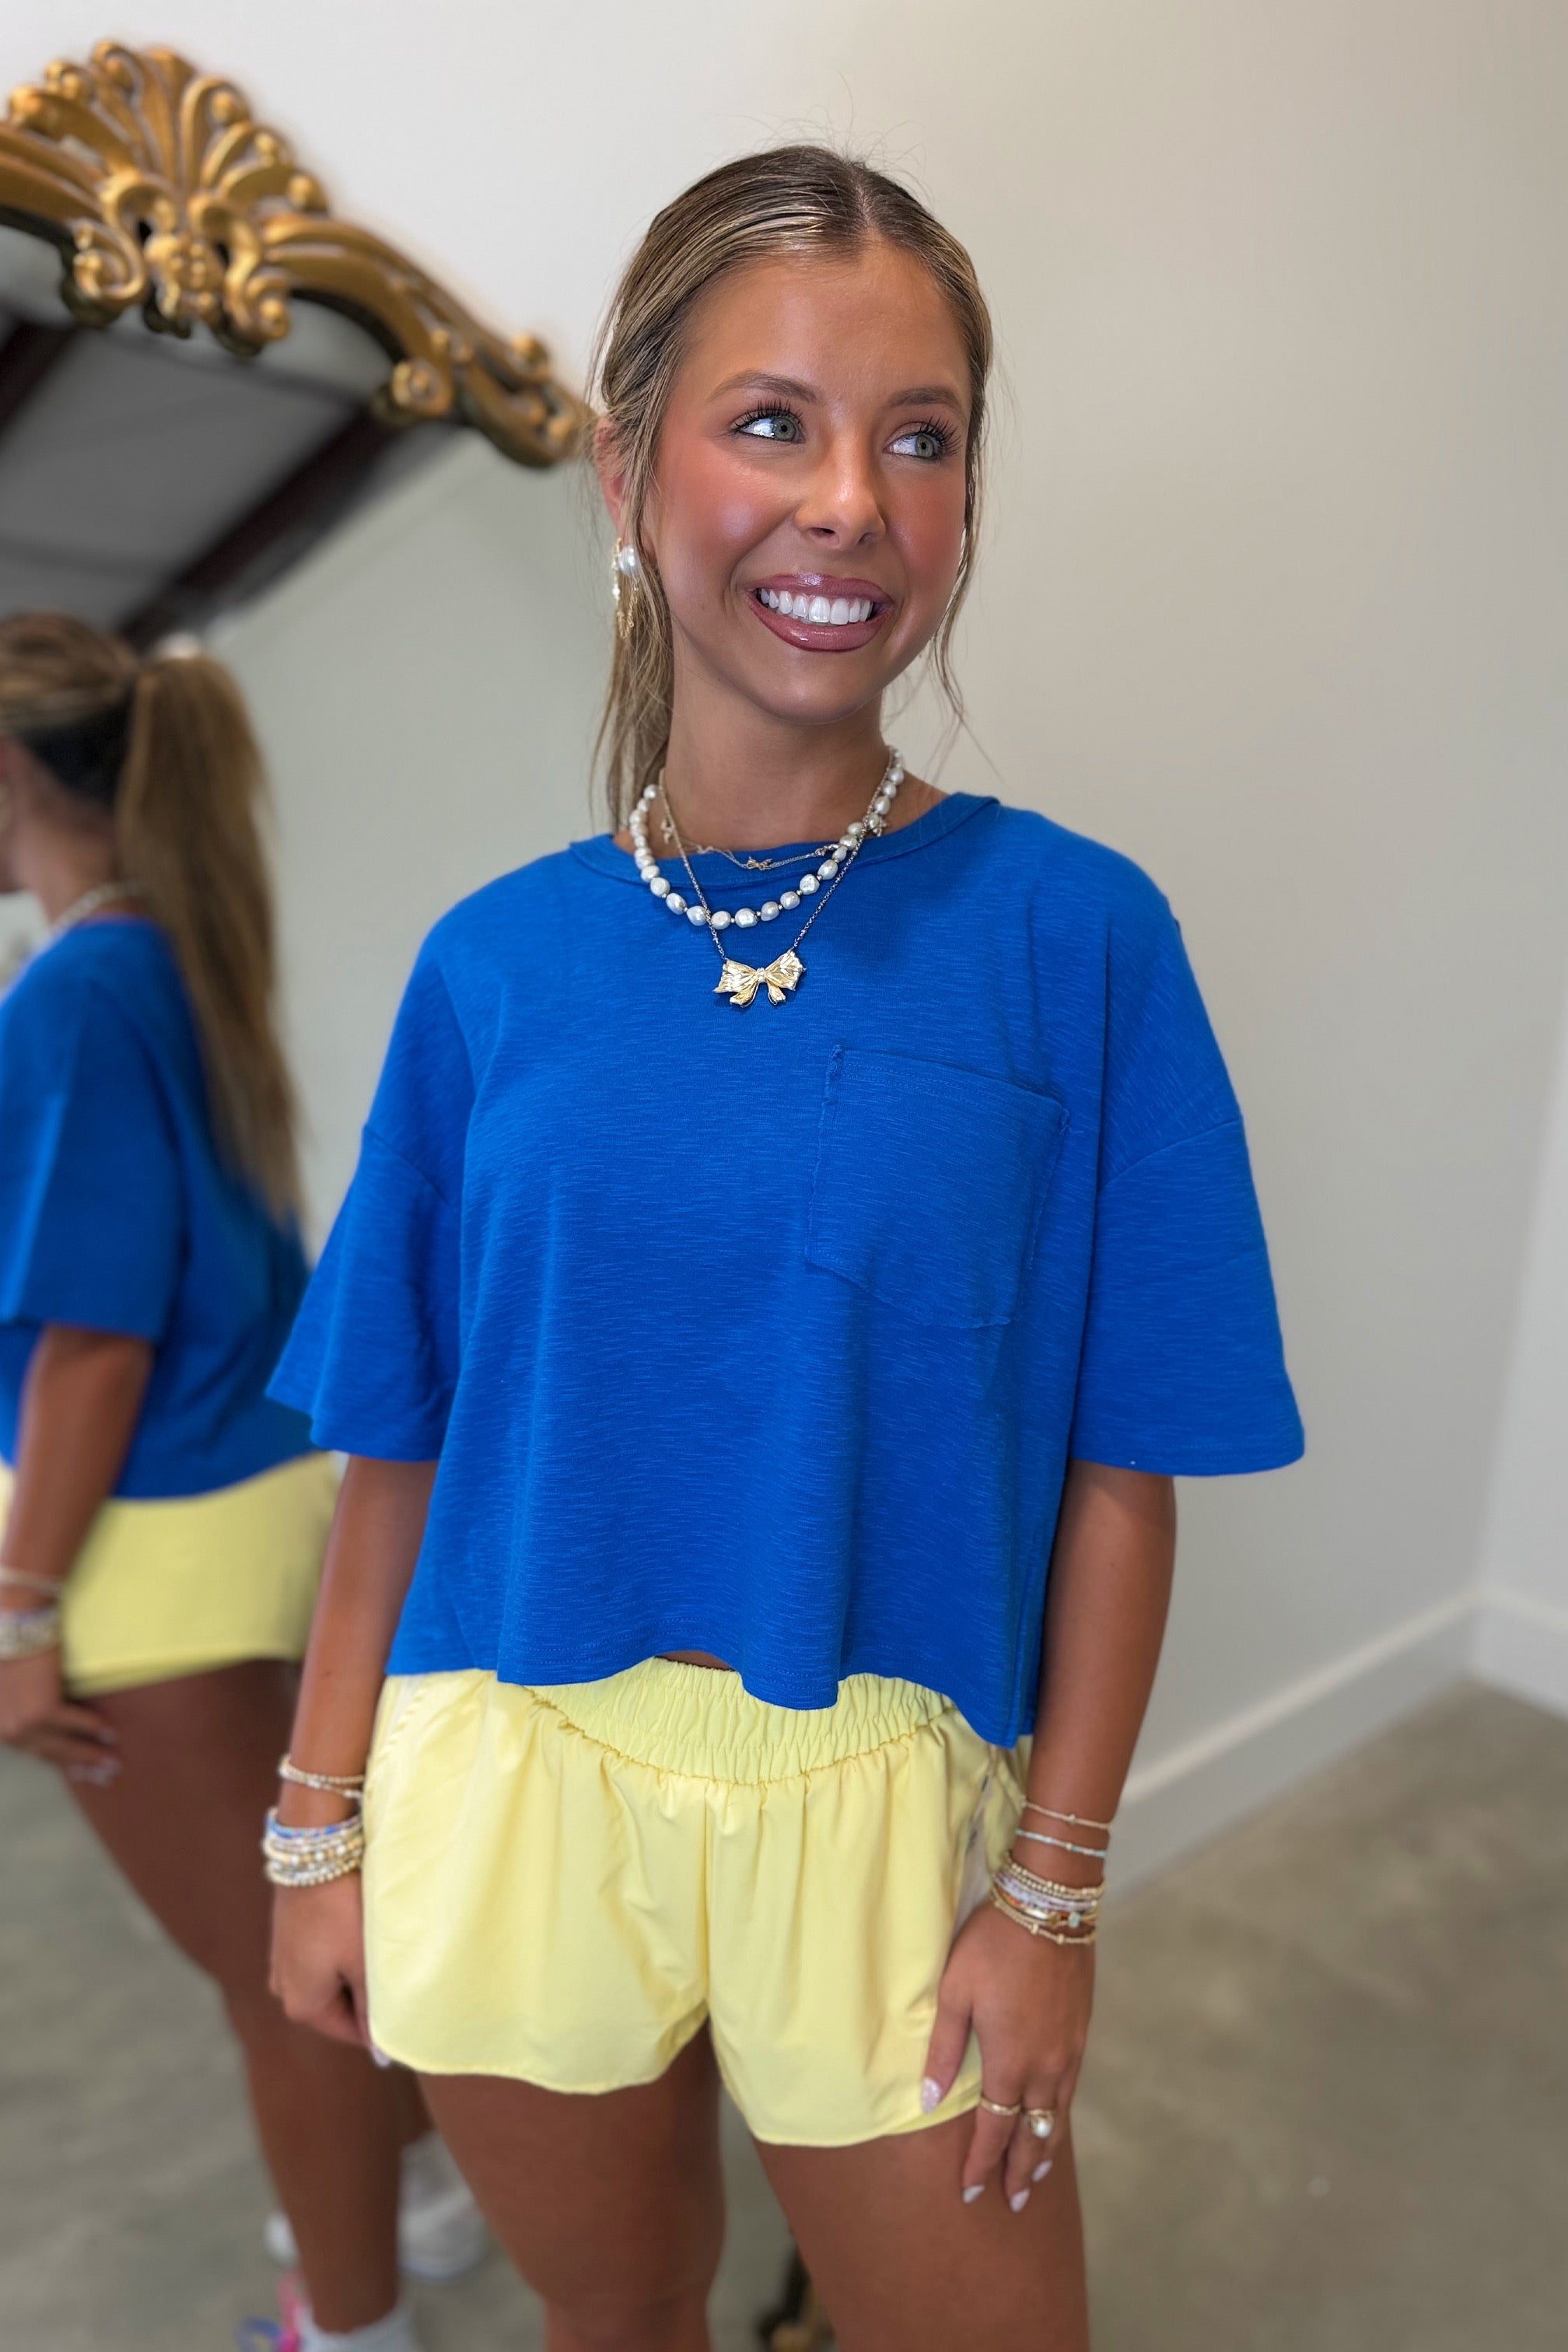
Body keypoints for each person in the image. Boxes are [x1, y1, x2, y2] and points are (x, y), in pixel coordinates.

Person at [268, 146, 1304, 2352]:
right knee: (619, 2318)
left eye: (920, 438)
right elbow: (401, 1441)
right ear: (628, 475)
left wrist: (1057, 1893)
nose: (851, 501)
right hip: (508, 1764)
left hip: (879, 1797)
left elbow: (1127, 1463)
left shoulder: (1073, 937)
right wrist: (316, 1828)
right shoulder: (494, 968)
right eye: (774, 423)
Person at [0, 616, 481, 2352]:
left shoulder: (76, 990)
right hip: (271, 1512)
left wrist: (17, 1609)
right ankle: (424, 2210)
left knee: (286, 1986)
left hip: (157, 1564)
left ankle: (346, 2330)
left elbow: (93, 1339)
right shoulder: (172, 956)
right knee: (326, 1953)